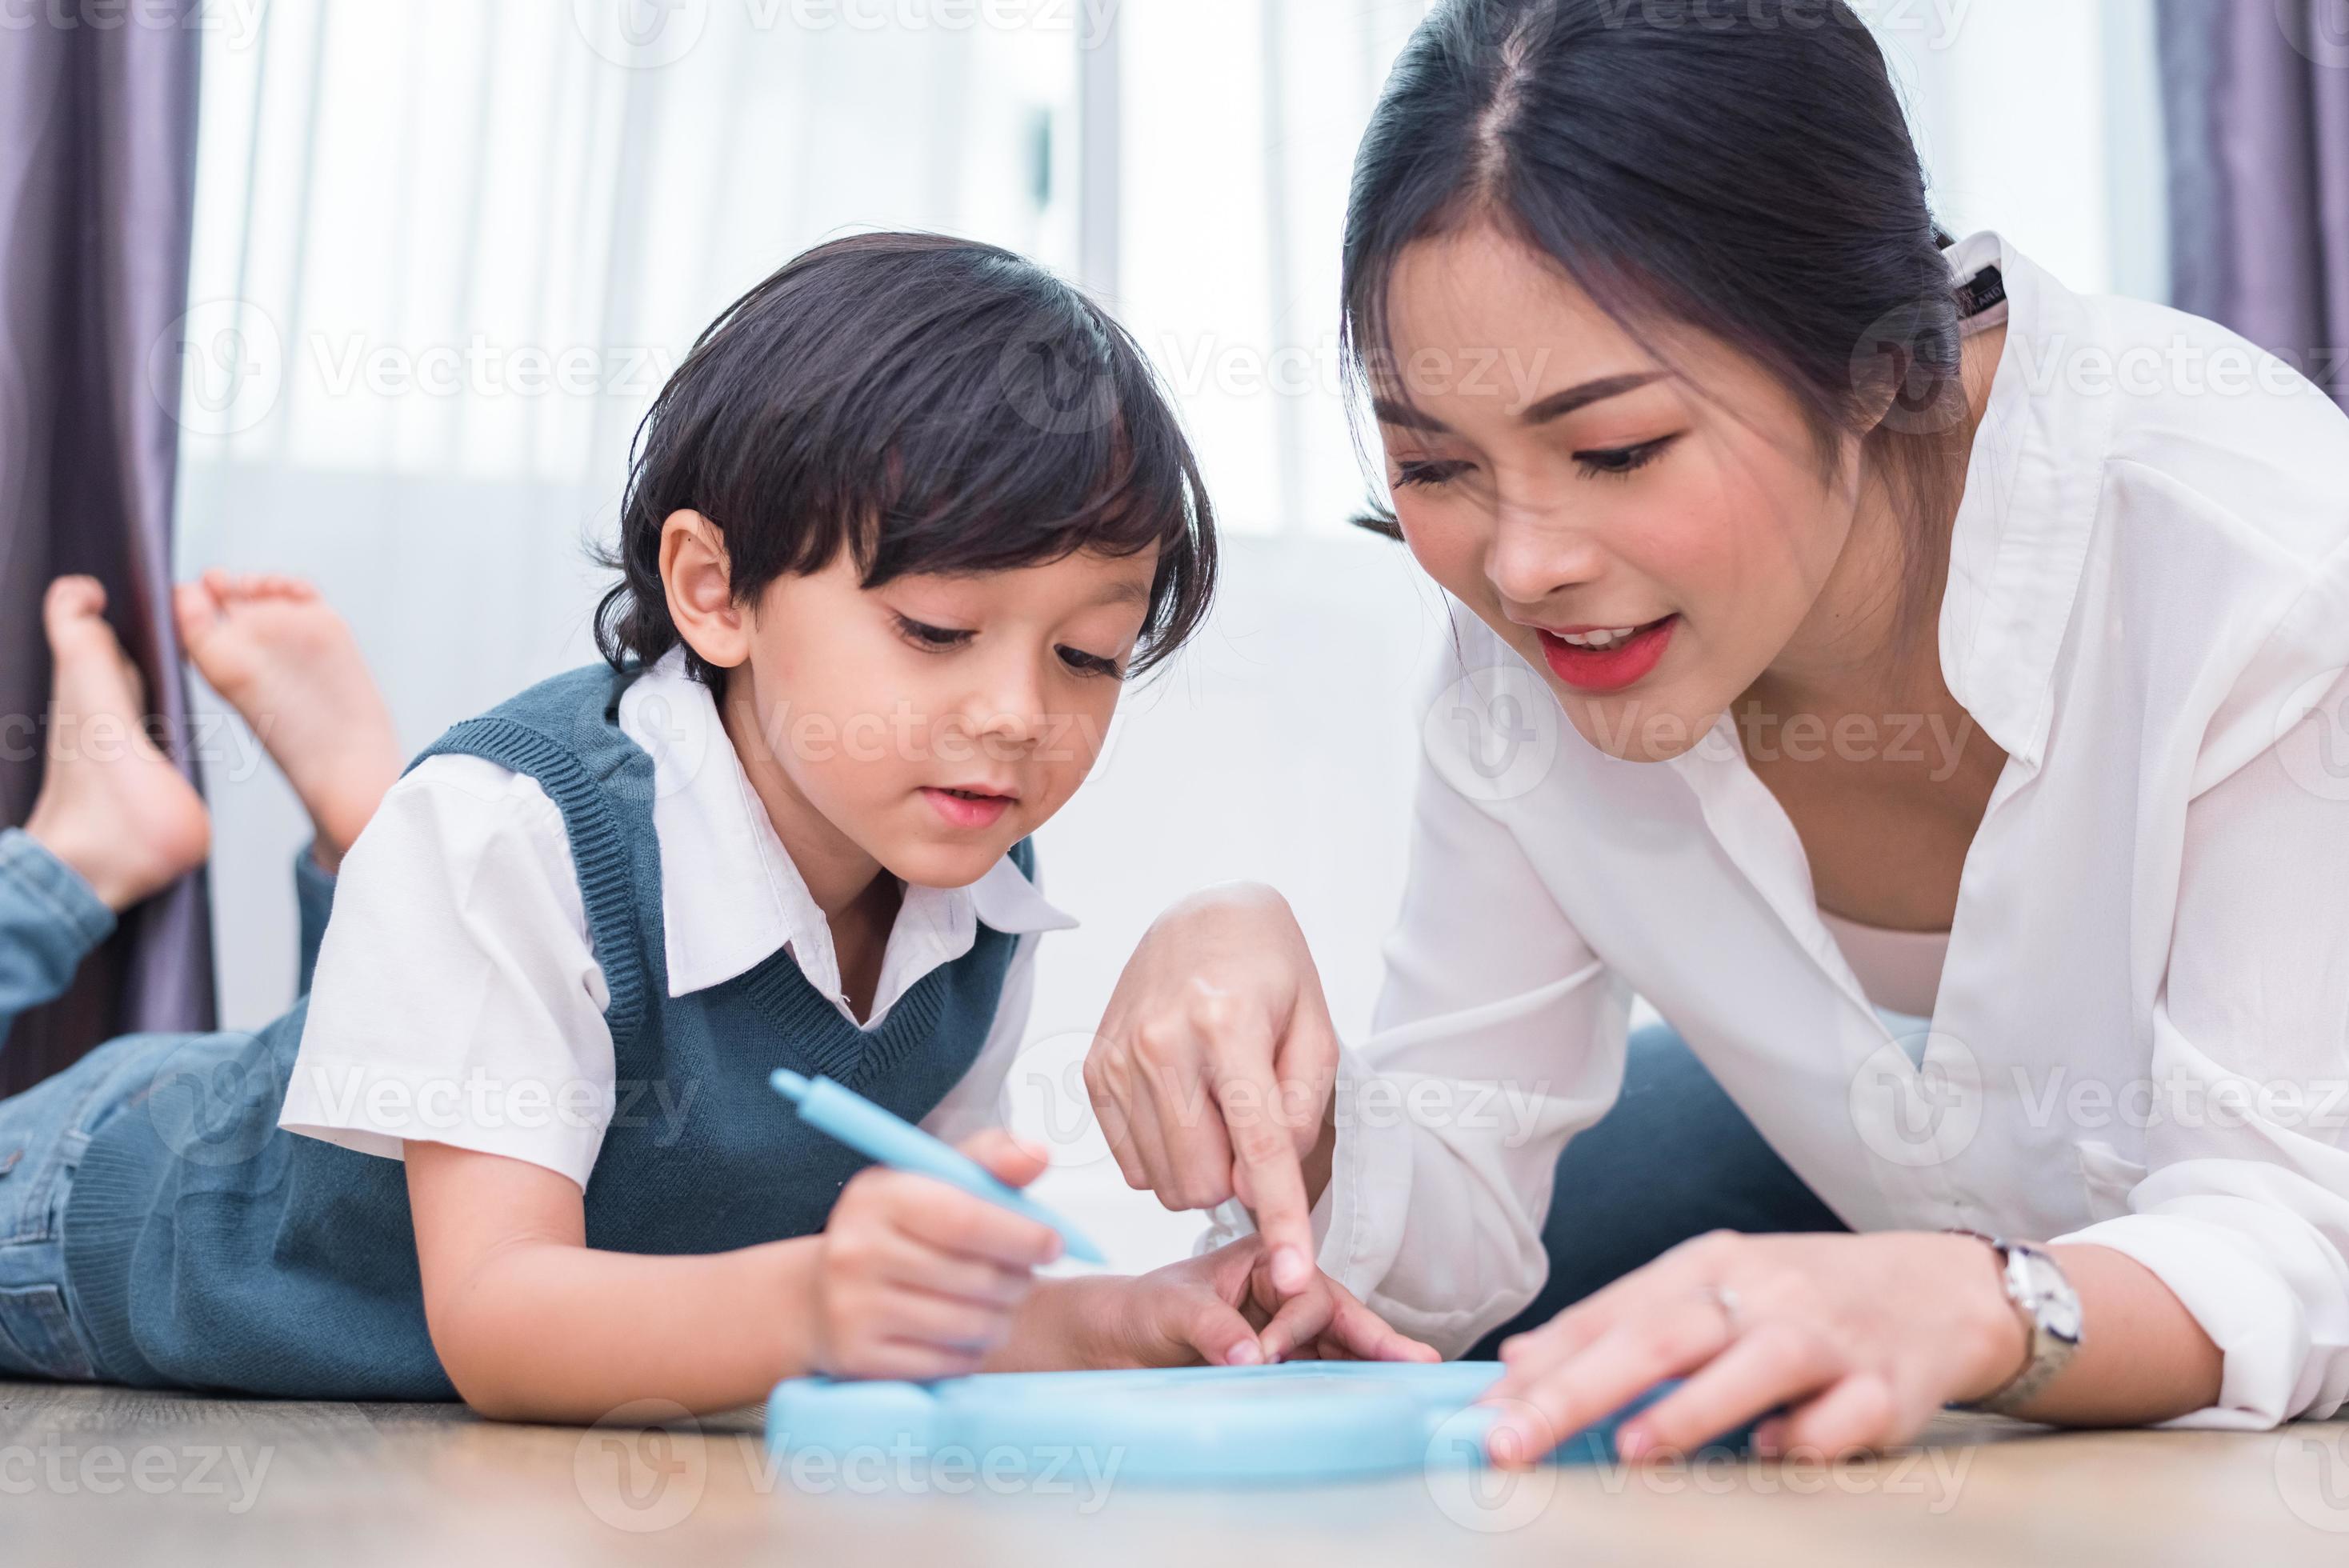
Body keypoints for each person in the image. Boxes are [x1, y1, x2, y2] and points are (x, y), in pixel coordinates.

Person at [1082, 0, 2349, 1465]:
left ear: (1874, 362)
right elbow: (1433, 1243)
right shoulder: (1542, 631)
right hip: (1861, 1192)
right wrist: (1267, 1061)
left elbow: (2300, 1243)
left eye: (1617, 450)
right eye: (1436, 464)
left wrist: (1974, 1303)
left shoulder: (2257, 564)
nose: (1523, 564)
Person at [0, 233, 1432, 1418]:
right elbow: (504, 1325)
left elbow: (894, 1308)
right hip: (79, 1216)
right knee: (467, 878)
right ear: (715, 589)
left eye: (1088, 656)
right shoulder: (513, 835)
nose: (1015, 715)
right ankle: (85, 861)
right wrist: (814, 1295)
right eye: (937, 630)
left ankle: (344, 850)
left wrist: (1130, 1315)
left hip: (432, 1010)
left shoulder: (977, 874)